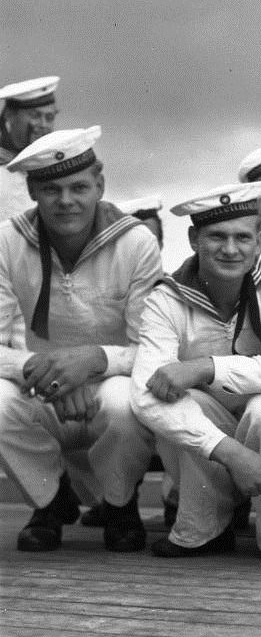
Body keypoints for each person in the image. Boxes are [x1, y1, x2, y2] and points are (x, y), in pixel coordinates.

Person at [131, 181, 261, 561]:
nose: (231, 249)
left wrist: (204, 367)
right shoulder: (166, 296)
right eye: (216, 236)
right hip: (210, 426)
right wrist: (228, 450)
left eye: (243, 237)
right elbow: (146, 394)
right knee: (185, 403)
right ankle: (200, 530)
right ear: (195, 237)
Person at [0, 126, 161, 552]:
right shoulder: (7, 241)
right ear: (33, 191)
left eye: (78, 187)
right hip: (43, 385)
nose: (66, 201)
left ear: (100, 186)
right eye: (51, 189)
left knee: (123, 402)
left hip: (112, 378)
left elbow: (152, 346)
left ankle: (120, 504)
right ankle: (51, 500)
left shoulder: (135, 242)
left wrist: (94, 361)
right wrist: (37, 368)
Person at [0, 76, 60, 221]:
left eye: (49, 117)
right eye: (35, 115)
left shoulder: (56, 169)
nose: (43, 124)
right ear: (10, 115)